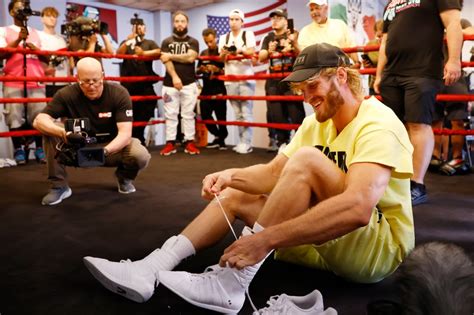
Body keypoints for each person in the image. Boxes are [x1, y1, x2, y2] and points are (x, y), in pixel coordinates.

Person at [82, 44, 414, 314]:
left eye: (312, 85)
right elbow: (272, 175)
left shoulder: (377, 122)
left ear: (341, 76)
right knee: (234, 195)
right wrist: (230, 176)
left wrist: (264, 240)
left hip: (374, 252)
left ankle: (232, 283)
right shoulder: (316, 123)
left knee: (308, 161)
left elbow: (358, 209)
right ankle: (150, 268)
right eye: (300, 89)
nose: (306, 97)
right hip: (325, 246)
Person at [374, 0, 463, 206]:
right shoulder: (392, 3)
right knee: (395, 127)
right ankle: (398, 179)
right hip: (392, 73)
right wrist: (379, 75)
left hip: (422, 70)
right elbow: (385, 41)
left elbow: (452, 23)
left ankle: (417, 184)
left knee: (418, 124)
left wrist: (454, 60)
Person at [32, 57, 151, 206]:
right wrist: (64, 134)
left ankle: (125, 178)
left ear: (103, 76)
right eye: (86, 81)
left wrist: (104, 152)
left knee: (139, 154)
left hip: (110, 148)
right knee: (50, 130)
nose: (91, 86)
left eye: (95, 80)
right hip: (78, 147)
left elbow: (125, 134)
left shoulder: (119, 93)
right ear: (77, 78)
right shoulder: (66, 94)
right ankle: (59, 186)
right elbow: (39, 120)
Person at [0, 0, 49, 165]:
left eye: (25, 6)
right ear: (11, 12)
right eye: (18, 7)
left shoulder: (37, 32)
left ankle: (39, 149)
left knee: (39, 117)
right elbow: (1, 55)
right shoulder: (4, 31)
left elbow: (48, 58)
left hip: (36, 80)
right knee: (14, 117)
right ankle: (18, 149)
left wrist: (37, 50)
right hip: (13, 81)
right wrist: (17, 41)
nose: (23, 10)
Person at [259, 8, 305, 153]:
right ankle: (282, 142)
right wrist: (269, 51)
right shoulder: (268, 37)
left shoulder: (293, 34)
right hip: (274, 81)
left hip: (292, 80)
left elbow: (303, 54)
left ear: (286, 20)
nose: (275, 21)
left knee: (296, 114)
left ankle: (300, 143)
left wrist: (293, 43)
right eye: (273, 18)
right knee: (276, 114)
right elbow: (261, 57)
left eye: (278, 18)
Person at [430, 18, 472, 176]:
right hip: (434, 77)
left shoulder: (459, 21)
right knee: (435, 121)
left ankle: (457, 158)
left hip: (456, 77)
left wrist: (452, 31)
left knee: (458, 120)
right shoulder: (431, 21)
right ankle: (434, 157)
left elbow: (471, 31)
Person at [159, 11, 200, 156]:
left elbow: (190, 58)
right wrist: (175, 77)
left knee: (188, 114)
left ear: (187, 23)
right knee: (170, 114)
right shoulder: (166, 42)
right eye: (177, 21)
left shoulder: (193, 41)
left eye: (182, 21)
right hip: (170, 84)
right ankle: (170, 142)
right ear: (173, 23)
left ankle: (189, 142)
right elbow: (166, 60)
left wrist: (170, 55)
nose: (180, 24)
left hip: (189, 84)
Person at [219, 9, 257, 154]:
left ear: (242, 21)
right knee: (237, 113)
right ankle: (242, 141)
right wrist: (225, 53)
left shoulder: (248, 34)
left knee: (246, 111)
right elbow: (220, 58)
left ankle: (247, 142)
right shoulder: (224, 37)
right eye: (231, 19)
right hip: (230, 79)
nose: (233, 22)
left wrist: (237, 51)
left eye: (236, 19)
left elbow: (251, 51)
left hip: (246, 77)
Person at [117, 19, 161, 145]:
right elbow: (118, 54)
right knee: (129, 114)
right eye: (136, 26)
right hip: (129, 86)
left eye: (141, 26)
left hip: (145, 85)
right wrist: (128, 40)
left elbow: (159, 52)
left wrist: (143, 53)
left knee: (150, 105)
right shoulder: (126, 42)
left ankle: (138, 135)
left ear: (145, 29)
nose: (139, 28)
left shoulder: (149, 43)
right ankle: (134, 139)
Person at [298, 0, 360, 68]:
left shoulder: (340, 24)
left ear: (326, 8)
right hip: (319, 71)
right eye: (311, 9)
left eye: (317, 8)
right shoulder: (305, 31)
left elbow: (351, 46)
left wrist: (357, 63)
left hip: (343, 68)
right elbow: (304, 56)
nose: (314, 12)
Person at [197, 27, 228, 150]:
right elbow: (197, 69)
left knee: (221, 116)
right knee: (205, 115)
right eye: (206, 42)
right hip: (206, 88)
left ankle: (221, 141)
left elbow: (228, 70)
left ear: (215, 38)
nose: (209, 44)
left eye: (211, 41)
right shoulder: (203, 53)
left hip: (219, 88)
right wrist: (202, 69)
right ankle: (217, 136)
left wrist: (217, 70)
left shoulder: (222, 52)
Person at [39, 6, 69, 98]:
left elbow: (67, 61)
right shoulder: (38, 36)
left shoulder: (62, 39)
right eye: (49, 16)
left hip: (63, 80)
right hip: (45, 80)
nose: (52, 19)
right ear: (42, 19)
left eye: (55, 16)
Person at [362, 19, 383, 95]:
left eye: (384, 36)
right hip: (373, 84)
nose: (381, 39)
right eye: (379, 36)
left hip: (390, 84)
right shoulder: (369, 45)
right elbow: (366, 67)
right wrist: (366, 65)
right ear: (375, 33)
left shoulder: (393, 45)